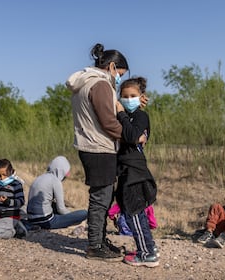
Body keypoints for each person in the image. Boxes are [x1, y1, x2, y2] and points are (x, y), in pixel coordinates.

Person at [66, 43, 134, 262]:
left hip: (89, 145)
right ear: (112, 66)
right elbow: (108, 122)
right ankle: (95, 245)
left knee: (101, 196)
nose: (118, 79)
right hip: (99, 147)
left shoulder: (84, 83)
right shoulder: (101, 84)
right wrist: (130, 135)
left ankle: (100, 240)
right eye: (120, 74)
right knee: (101, 198)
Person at [115, 77, 159, 267]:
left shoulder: (140, 116)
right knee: (136, 212)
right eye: (124, 96)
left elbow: (132, 136)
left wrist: (122, 114)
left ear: (141, 97)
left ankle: (146, 254)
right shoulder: (128, 117)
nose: (128, 99)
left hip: (134, 171)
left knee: (133, 213)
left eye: (133, 96)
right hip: (127, 169)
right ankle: (148, 246)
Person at [26, 156, 87, 230]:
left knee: (53, 205)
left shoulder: (39, 178)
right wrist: (71, 215)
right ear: (61, 171)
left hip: (31, 219)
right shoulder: (55, 181)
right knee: (84, 213)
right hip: (46, 221)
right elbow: (61, 209)